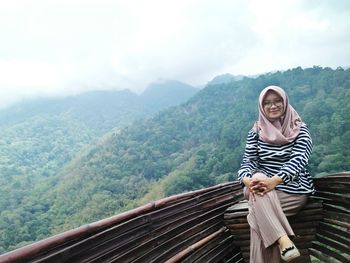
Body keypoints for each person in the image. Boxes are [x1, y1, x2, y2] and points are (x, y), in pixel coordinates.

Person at [237, 85, 315, 263]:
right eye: (267, 103)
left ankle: (281, 240)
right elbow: (247, 162)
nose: (273, 106)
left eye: (277, 101)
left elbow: (299, 160)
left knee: (256, 214)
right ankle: (283, 240)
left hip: (293, 190)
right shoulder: (256, 132)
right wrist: (247, 180)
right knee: (258, 179)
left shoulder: (300, 129)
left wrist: (275, 181)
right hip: (259, 187)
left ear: (285, 102)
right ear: (261, 107)